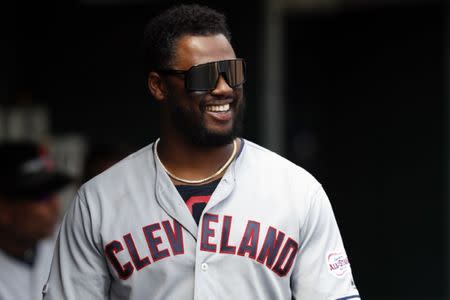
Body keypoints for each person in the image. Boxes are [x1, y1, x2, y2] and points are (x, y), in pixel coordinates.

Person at [44, 4, 360, 299]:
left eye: (231, 72)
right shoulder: (98, 200)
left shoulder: (298, 191)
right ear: (158, 85)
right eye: (204, 76)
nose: (223, 88)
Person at [0, 140, 71, 300]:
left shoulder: (68, 241)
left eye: (54, 192)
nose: (54, 203)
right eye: (42, 195)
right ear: (4, 209)